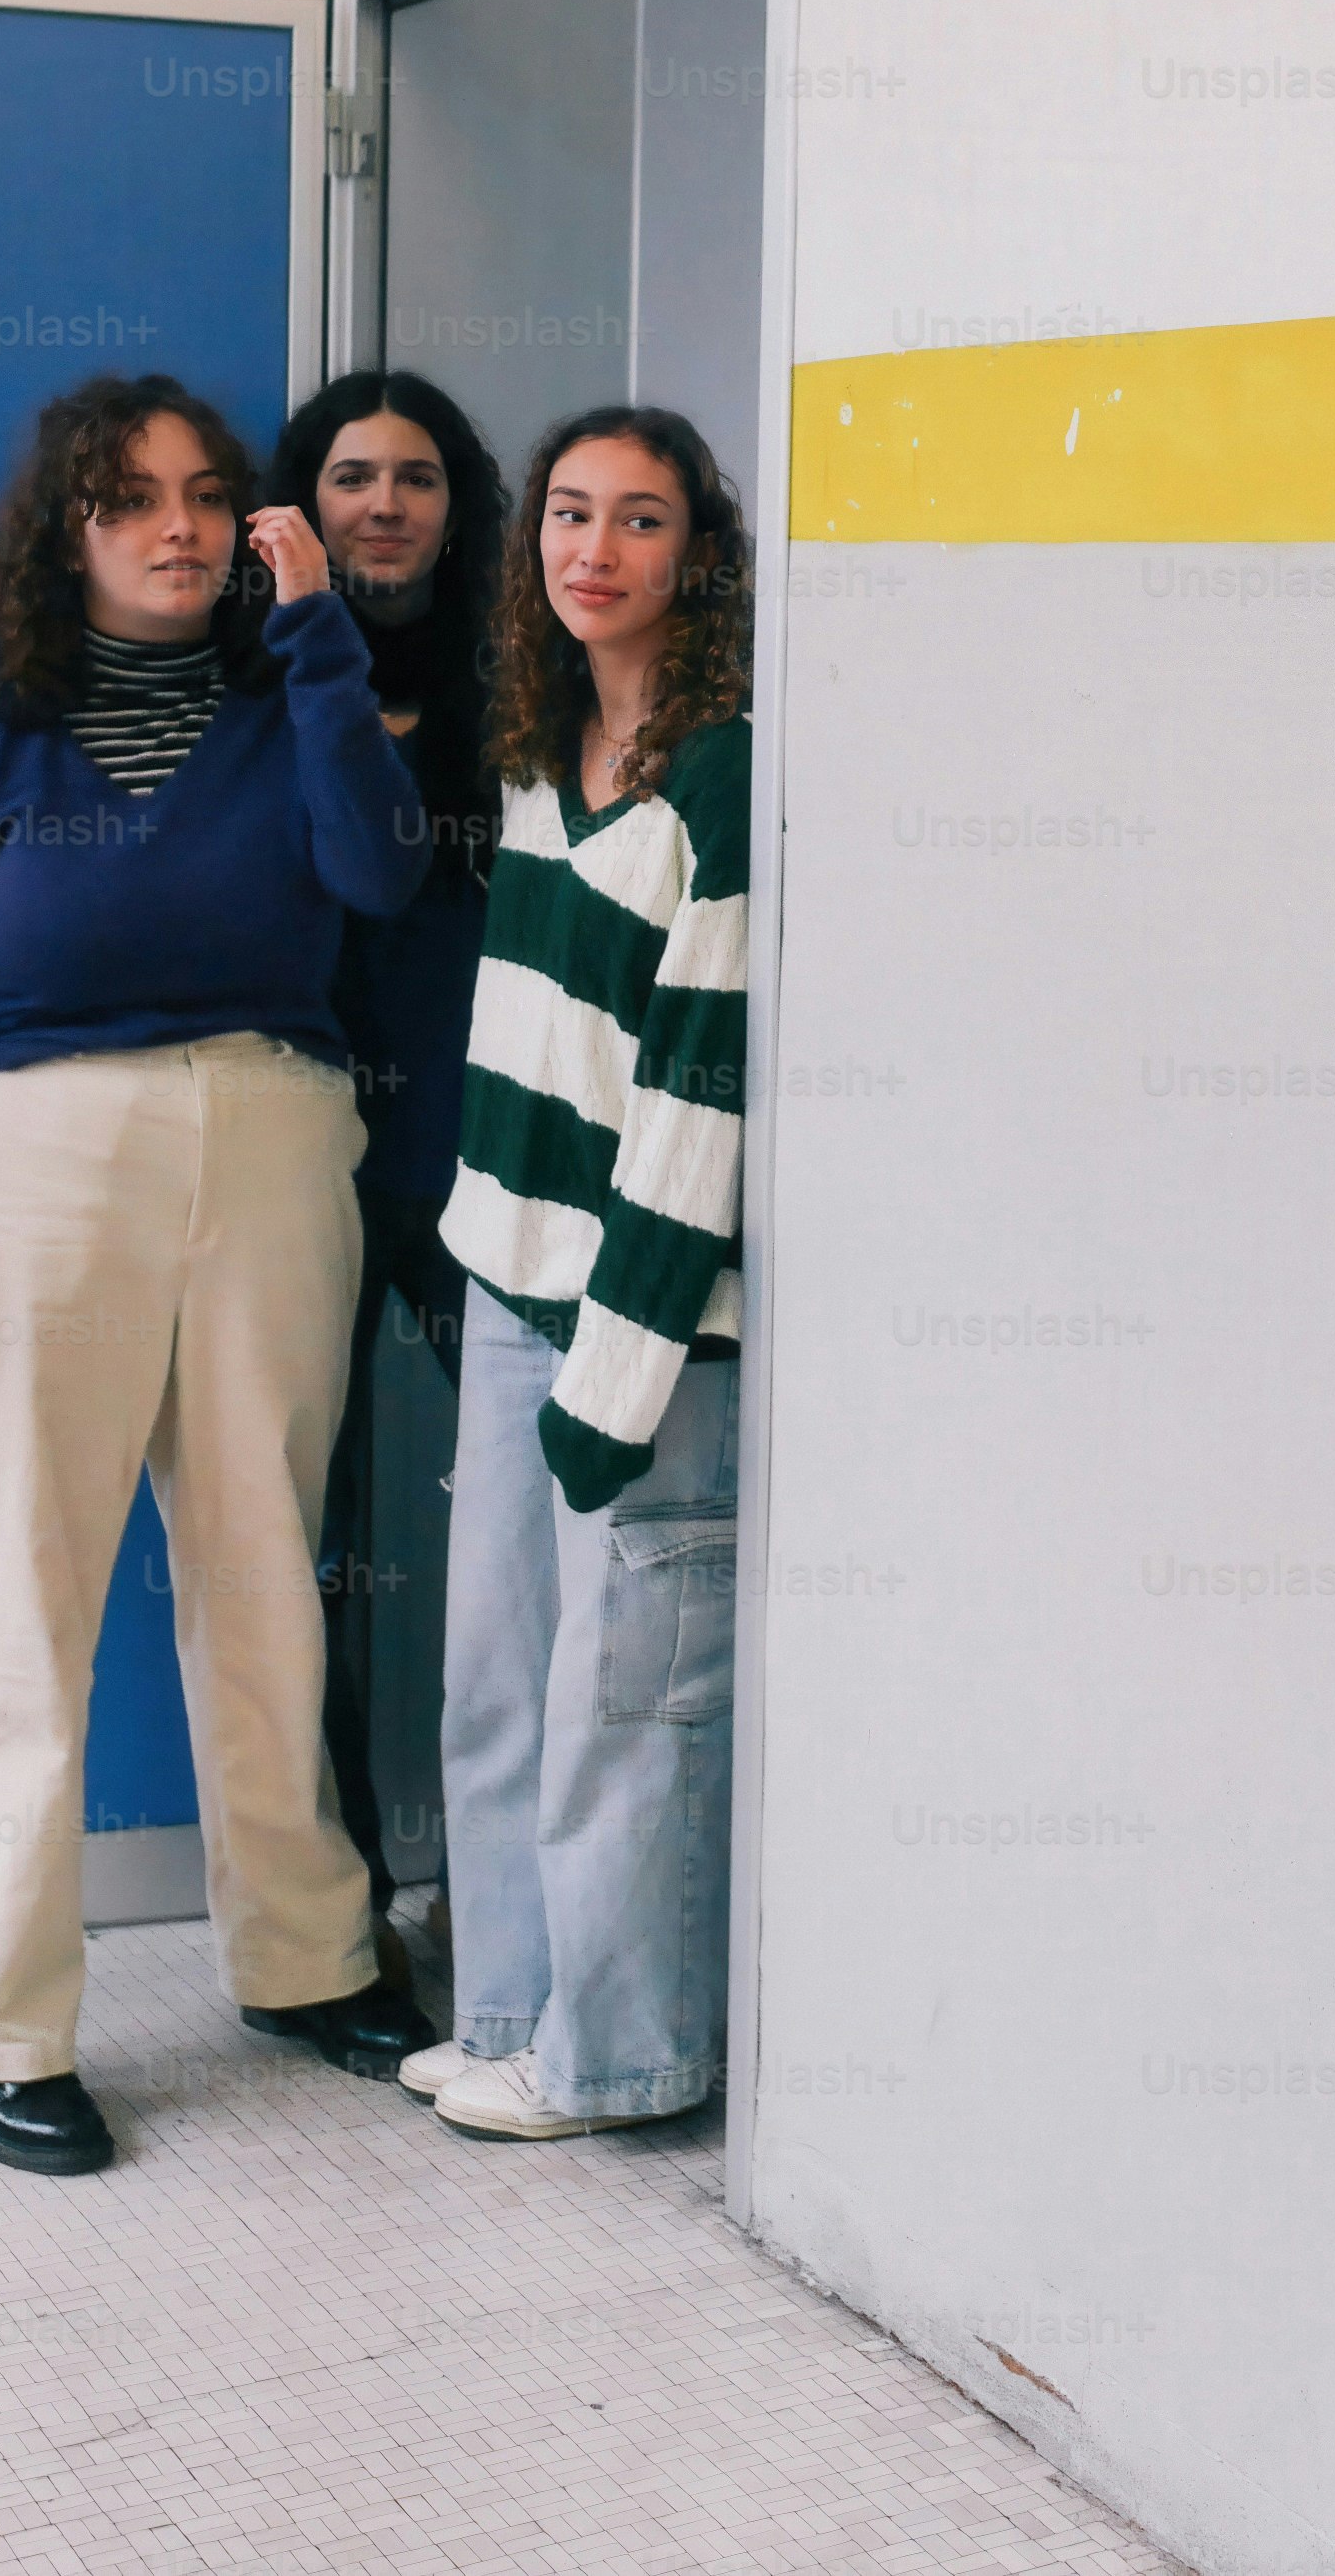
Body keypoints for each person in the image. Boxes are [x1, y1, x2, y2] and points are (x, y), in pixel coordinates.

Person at [0, 371, 436, 2178]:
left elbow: (381, 877)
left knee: (268, 1572)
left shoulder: (295, 702)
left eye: (204, 496)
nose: (177, 528)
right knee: (21, 1599)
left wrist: (320, 637)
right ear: (70, 532)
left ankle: (310, 1958)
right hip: (41, 1163)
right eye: (132, 501)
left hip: (271, 1142)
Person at [406, 403, 756, 2141]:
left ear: (696, 556)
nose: (590, 548)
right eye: (565, 513)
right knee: (496, 1672)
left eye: (635, 519)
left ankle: (612, 2062)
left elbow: (702, 1093)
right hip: (511, 1283)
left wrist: (618, 1375)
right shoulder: (539, 754)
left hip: (647, 1322)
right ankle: (506, 2015)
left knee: (625, 1706)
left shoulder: (724, 780)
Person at [261, 369, 510, 1945]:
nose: (385, 505)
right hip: (294, 1153)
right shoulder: (253, 675)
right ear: (302, 500)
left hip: (474, 1155)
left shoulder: (519, 676)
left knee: (510, 1522)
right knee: (305, 1550)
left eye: (416, 477)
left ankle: (505, 1896)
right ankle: (334, 1907)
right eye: (353, 475)